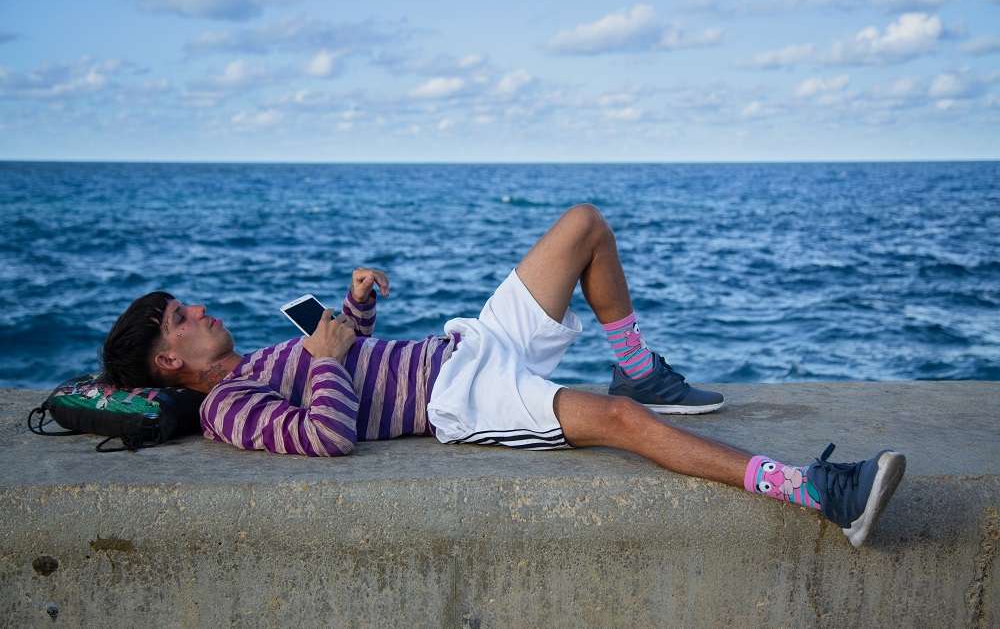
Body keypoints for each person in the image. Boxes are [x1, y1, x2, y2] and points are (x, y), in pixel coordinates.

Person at [101, 204, 905, 548]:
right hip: (458, 397)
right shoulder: (230, 407)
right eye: (180, 316)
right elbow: (329, 432)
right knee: (621, 433)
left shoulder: (266, 357)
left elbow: (348, 365)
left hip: (467, 343)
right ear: (170, 362)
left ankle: (639, 369)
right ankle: (816, 492)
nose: (199, 308)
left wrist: (354, 313)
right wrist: (329, 358)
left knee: (584, 225)